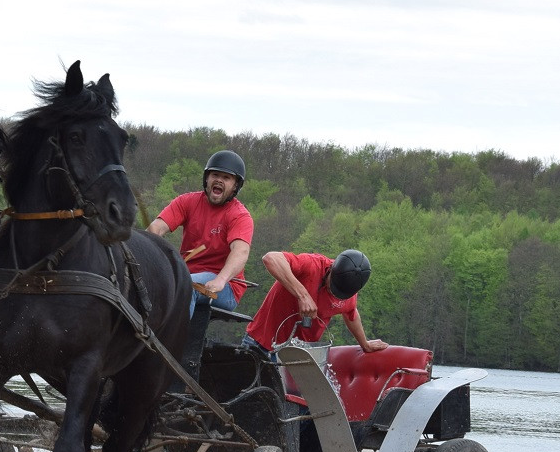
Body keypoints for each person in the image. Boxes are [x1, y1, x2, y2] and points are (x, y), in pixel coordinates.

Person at [147, 150, 254, 317]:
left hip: (225, 286)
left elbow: (240, 252)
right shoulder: (187, 202)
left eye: (226, 178)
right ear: (207, 178)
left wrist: (221, 280)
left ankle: (175, 342)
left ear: (235, 186)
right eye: (215, 175)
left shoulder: (239, 215)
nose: (219, 180)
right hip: (184, 275)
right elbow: (155, 229)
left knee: (185, 287)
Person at [243, 249, 388, 355]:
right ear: (331, 269)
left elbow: (351, 313)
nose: (334, 294)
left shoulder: (348, 288)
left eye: (340, 293)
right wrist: (303, 295)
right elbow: (270, 258)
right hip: (260, 345)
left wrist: (365, 344)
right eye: (334, 287)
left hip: (297, 357)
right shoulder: (312, 265)